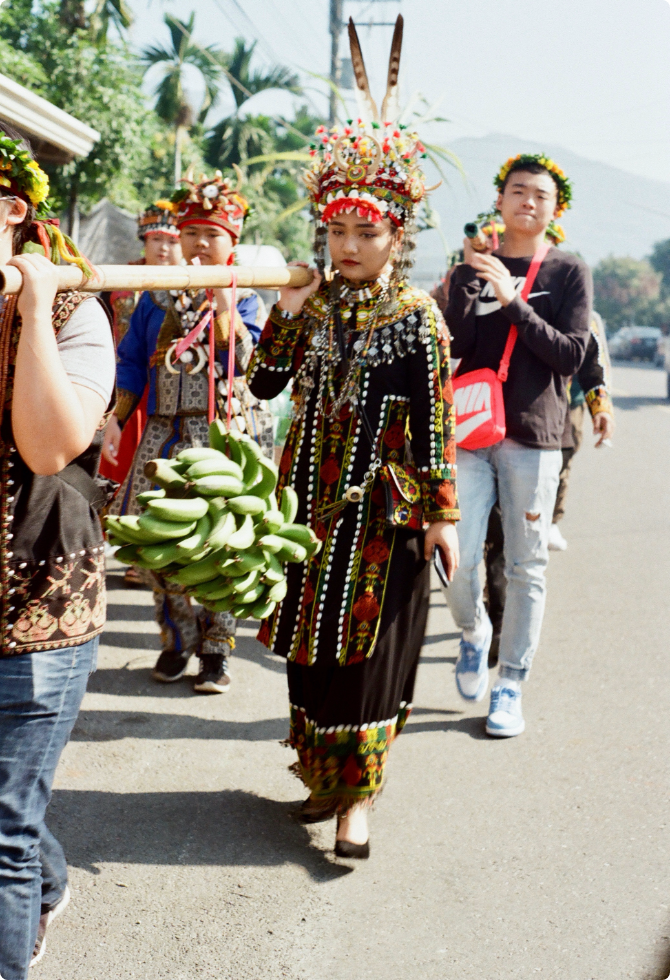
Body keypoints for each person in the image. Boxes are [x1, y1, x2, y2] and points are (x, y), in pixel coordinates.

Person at [248, 16, 460, 858]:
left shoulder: (417, 319)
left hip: (381, 514)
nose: (347, 246)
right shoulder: (315, 302)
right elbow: (265, 385)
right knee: (308, 647)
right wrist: (286, 316)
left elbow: (437, 427)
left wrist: (441, 517)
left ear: (396, 237)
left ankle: (357, 801)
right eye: (337, 232)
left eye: (365, 233)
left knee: (370, 653)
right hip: (304, 506)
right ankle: (319, 777)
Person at [0, 128, 115, 977]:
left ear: (12, 211)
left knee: (0, 828)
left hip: (39, 607)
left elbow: (49, 448)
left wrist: (33, 309)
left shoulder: (78, 315)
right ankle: (46, 884)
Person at [443, 153, 592, 738]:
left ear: (555, 212)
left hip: (535, 433)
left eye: (541, 196)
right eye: (518, 191)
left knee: (527, 564)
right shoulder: (470, 270)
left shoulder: (568, 273)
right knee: (458, 553)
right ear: (499, 200)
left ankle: (511, 682)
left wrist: (514, 302)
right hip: (471, 429)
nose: (528, 201)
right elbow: (452, 345)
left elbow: (571, 355)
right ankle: (475, 630)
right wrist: (466, 281)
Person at [107, 169, 271, 694]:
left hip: (222, 435)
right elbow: (131, 361)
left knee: (222, 543)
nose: (201, 244)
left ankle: (217, 651)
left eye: (213, 235)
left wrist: (224, 306)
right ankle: (176, 640)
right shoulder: (153, 299)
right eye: (193, 233)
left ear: (233, 242)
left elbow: (250, 363)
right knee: (154, 538)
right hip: (161, 432)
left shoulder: (248, 299)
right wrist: (114, 417)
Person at [484, 310, 615, 661]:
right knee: (494, 536)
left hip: (549, 432)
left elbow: (591, 363)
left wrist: (600, 407)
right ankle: (493, 622)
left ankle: (507, 638)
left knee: (523, 543)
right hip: (489, 433)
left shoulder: (573, 300)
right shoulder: (497, 295)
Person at [100, 203, 181, 587]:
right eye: (156, 239)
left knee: (153, 469)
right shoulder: (117, 279)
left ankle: (144, 550)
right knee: (112, 464)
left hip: (167, 389)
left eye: (170, 240)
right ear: (143, 241)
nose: (163, 248)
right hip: (119, 380)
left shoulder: (193, 284)